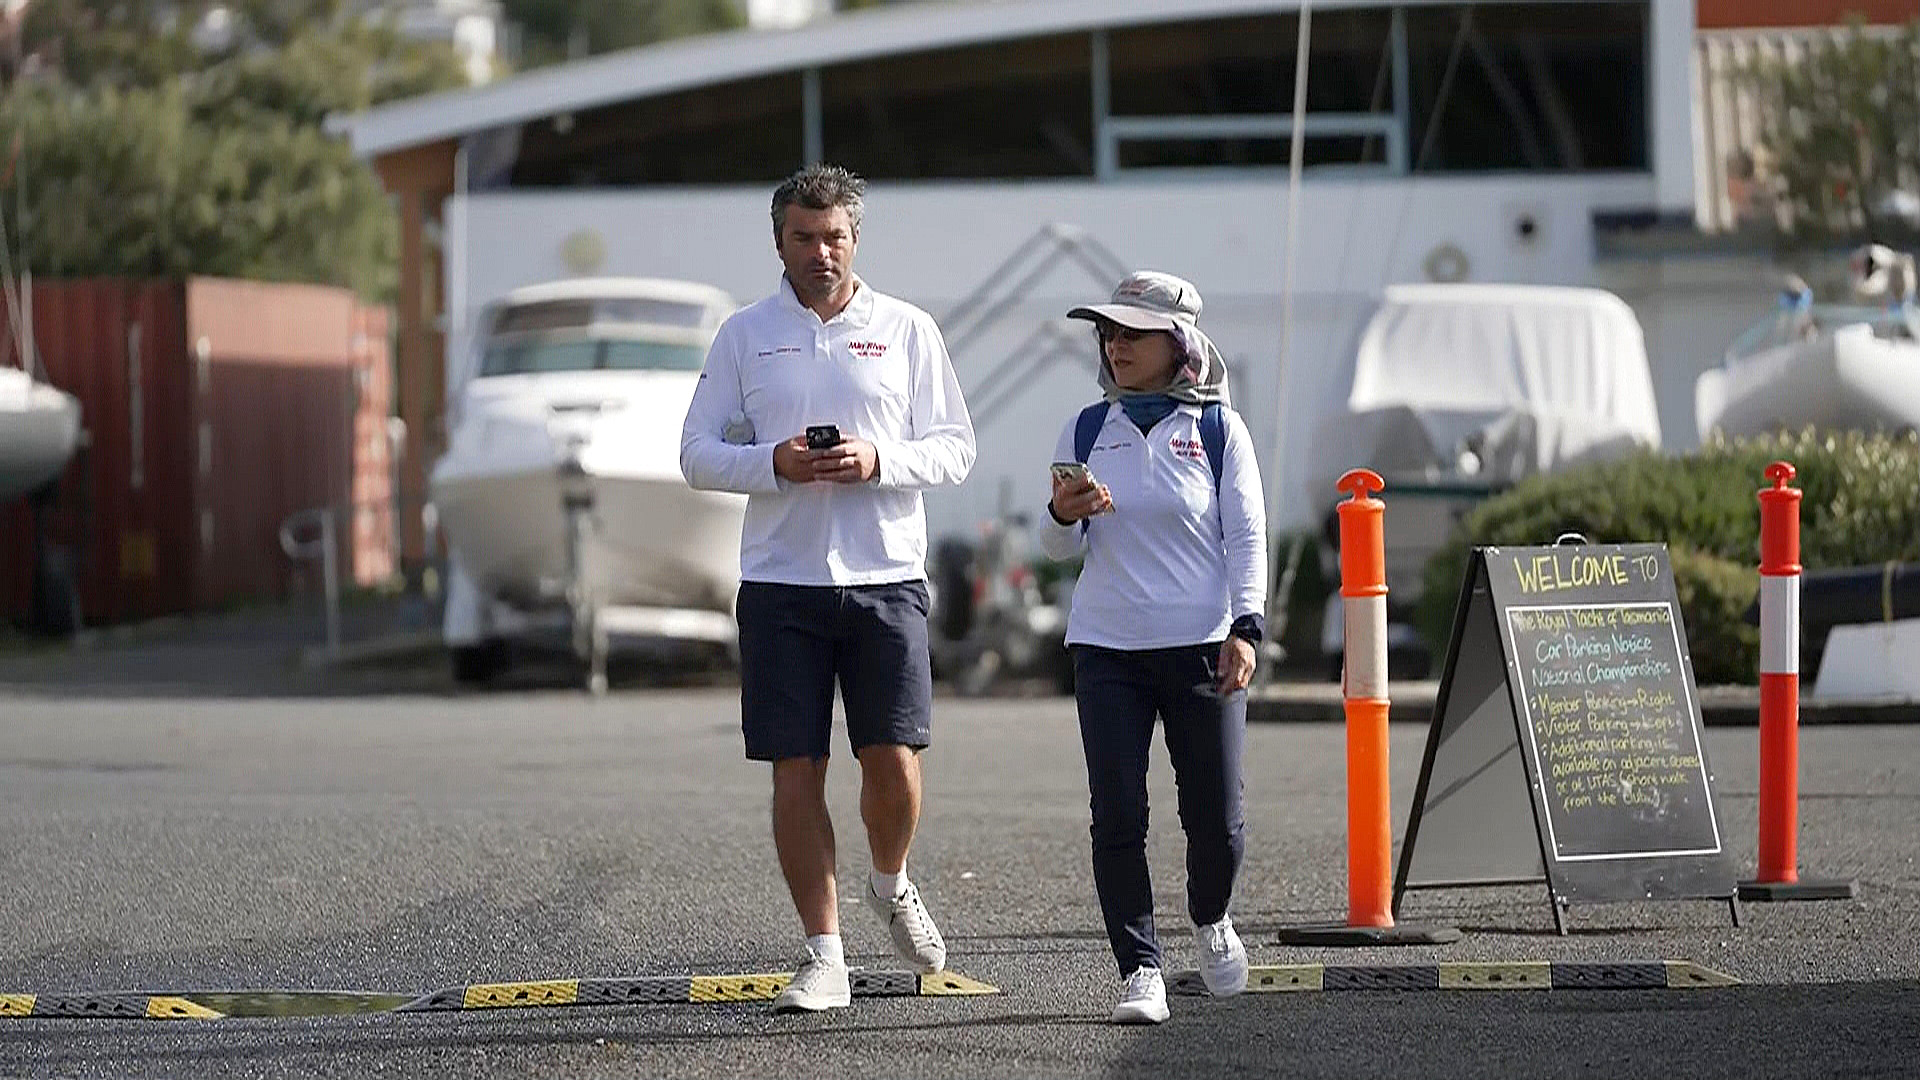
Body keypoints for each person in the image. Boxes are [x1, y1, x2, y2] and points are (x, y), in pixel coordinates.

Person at [679, 164, 976, 1014]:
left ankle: (891, 881)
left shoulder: (908, 329)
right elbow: (696, 453)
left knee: (894, 762)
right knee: (794, 769)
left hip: (886, 577)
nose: (821, 252)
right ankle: (824, 954)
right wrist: (772, 462)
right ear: (779, 242)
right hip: (781, 583)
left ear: (855, 239)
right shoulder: (744, 334)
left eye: (834, 237)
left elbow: (955, 448)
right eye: (804, 237)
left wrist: (879, 459)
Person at [1039, 270, 1268, 1025]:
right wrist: (1062, 513)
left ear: (1180, 345)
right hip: (1105, 649)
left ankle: (1212, 917)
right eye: (1108, 332)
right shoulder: (1085, 429)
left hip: (1202, 647)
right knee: (1117, 816)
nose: (1115, 345)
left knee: (1217, 819)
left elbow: (1246, 536)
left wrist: (1247, 628)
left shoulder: (1218, 430)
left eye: (1133, 333)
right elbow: (1056, 548)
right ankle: (1140, 969)